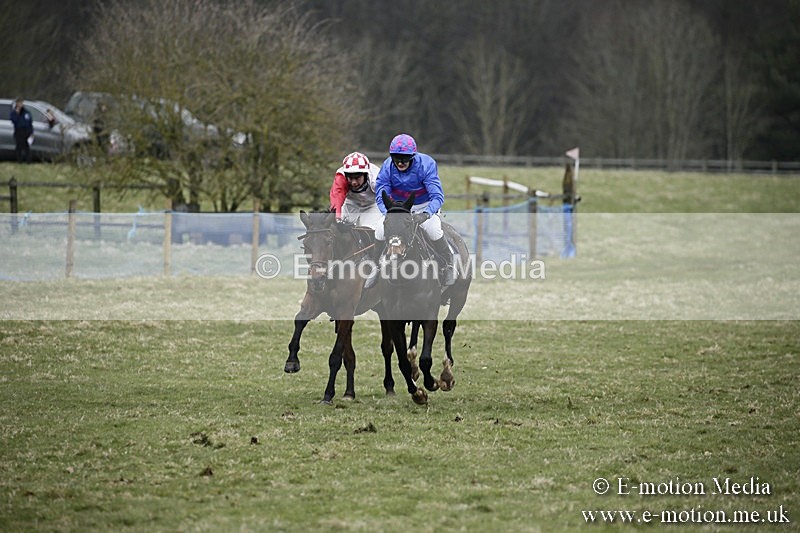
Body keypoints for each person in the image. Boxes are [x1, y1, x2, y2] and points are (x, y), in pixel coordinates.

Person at [373, 133, 455, 286]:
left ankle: (448, 263)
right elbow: (381, 194)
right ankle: (375, 266)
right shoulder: (387, 167)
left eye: (405, 158)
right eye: (396, 158)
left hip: (424, 205)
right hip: (398, 208)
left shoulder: (426, 165)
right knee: (379, 230)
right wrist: (388, 214)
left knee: (434, 230)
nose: (400, 162)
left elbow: (437, 196)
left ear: (413, 156)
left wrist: (425, 215)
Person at [329, 151, 382, 230]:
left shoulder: (376, 178)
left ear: (365, 175)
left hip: (372, 205)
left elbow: (385, 198)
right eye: (350, 178)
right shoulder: (341, 177)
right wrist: (337, 217)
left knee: (367, 230)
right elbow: (337, 197)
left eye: (357, 178)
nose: (354, 182)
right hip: (351, 203)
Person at [9, 98, 33, 163]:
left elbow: (30, 122)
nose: (20, 105)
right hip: (18, 131)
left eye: (21, 103)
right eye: (19, 103)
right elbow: (14, 121)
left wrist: (31, 132)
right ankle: (19, 161)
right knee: (19, 146)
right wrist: (17, 113)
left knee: (26, 147)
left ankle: (28, 161)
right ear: (16, 104)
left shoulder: (26, 112)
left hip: (26, 131)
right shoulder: (14, 112)